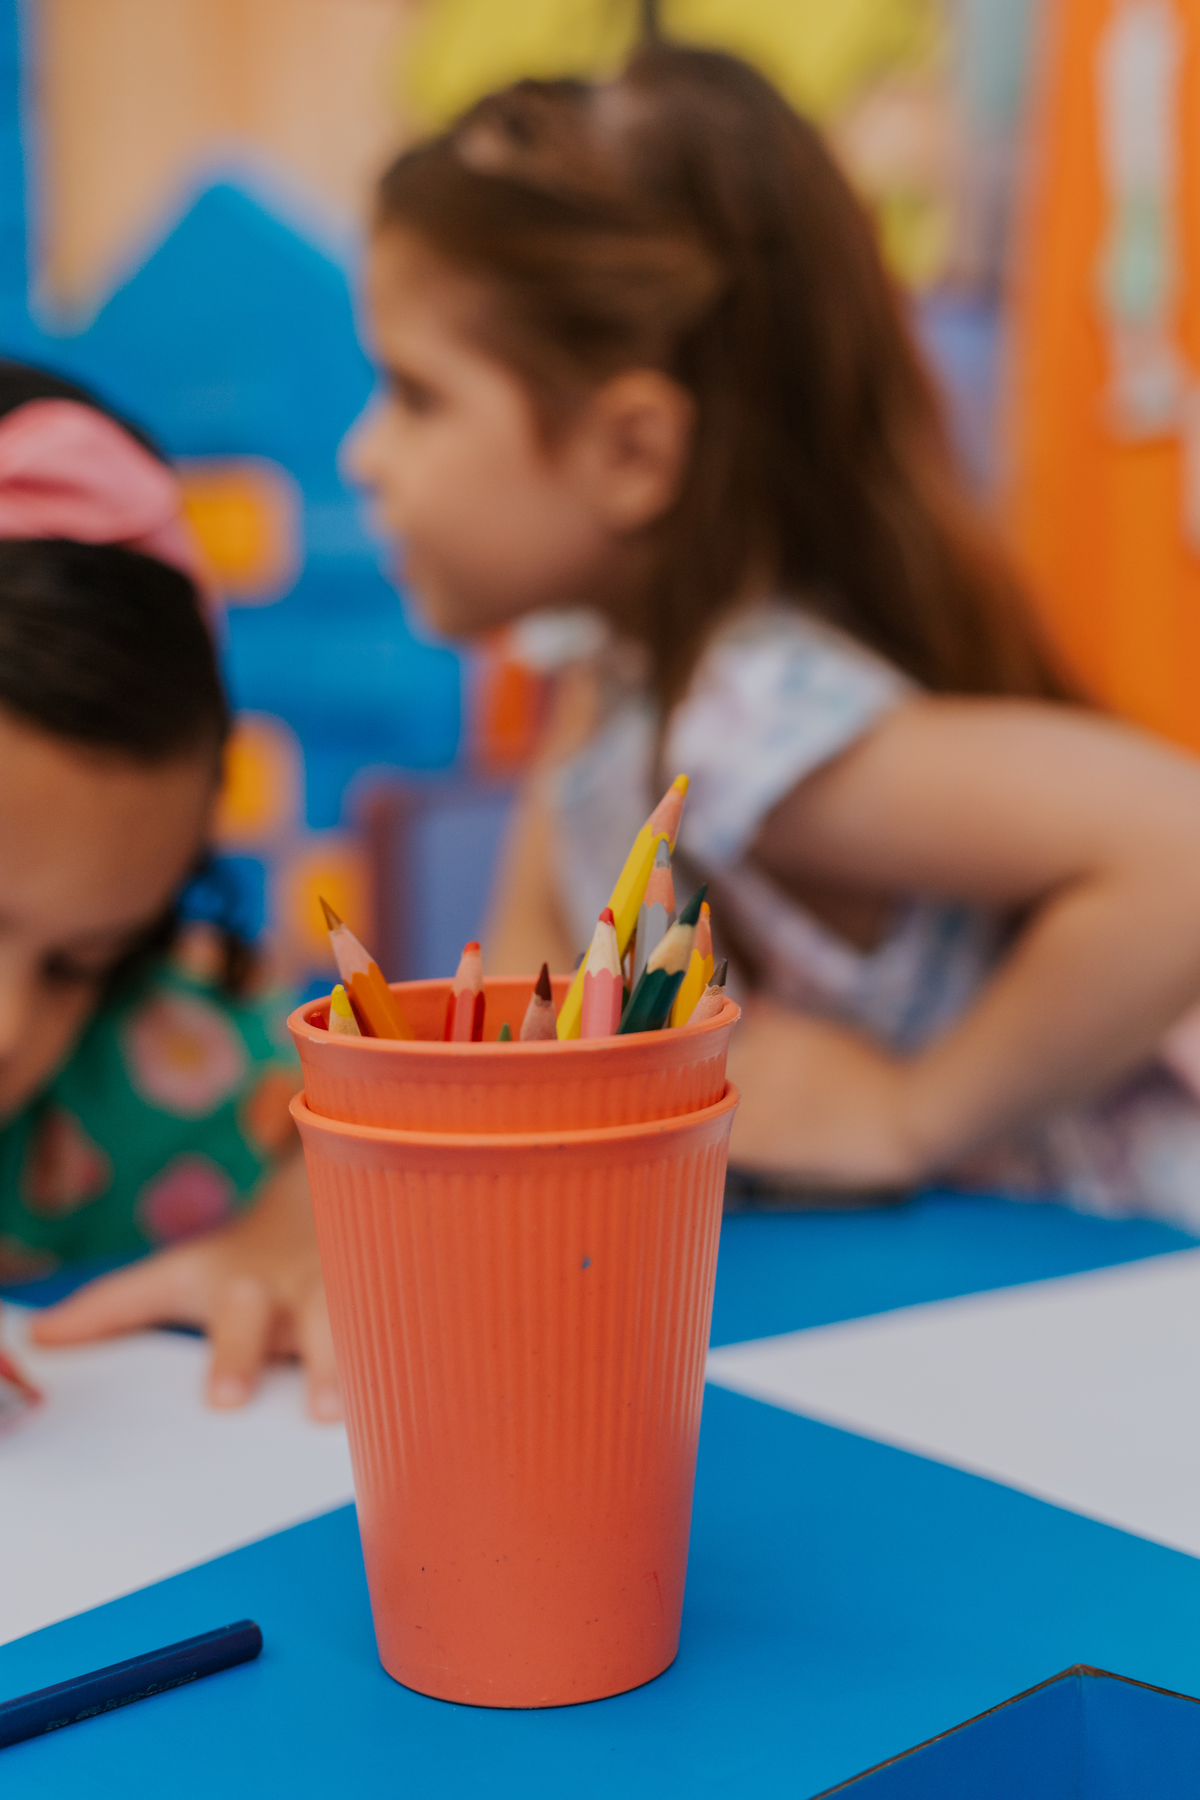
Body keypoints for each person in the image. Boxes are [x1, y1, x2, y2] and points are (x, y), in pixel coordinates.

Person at [348, 42, 1200, 1224]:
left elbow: (1181, 846)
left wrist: (913, 1114)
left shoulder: (746, 724)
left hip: (1095, 1273)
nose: (365, 456)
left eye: (415, 396)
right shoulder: (607, 681)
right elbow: (536, 1016)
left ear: (633, 450)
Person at [0, 362, 338, 1416]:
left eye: (81, 963)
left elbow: (378, 1142)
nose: (7, 1028)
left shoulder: (178, 1063)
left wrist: (305, 1226)